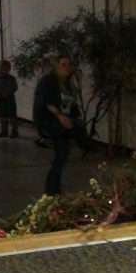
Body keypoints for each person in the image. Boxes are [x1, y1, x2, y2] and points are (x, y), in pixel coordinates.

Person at [34, 55, 88, 195]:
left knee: (62, 155)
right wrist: (60, 116)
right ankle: (52, 190)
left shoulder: (68, 84)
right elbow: (47, 102)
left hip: (63, 123)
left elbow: (72, 105)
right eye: (63, 64)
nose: (67, 67)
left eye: (69, 65)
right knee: (63, 152)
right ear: (56, 66)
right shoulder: (48, 81)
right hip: (51, 121)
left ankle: (52, 189)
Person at [0, 59, 19, 138]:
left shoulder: (11, 78)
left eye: (5, 68)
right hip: (1, 100)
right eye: (2, 68)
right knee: (3, 116)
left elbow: (14, 87)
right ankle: (4, 131)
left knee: (12, 116)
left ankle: (14, 132)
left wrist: (7, 93)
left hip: (10, 100)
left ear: (9, 69)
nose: (3, 70)